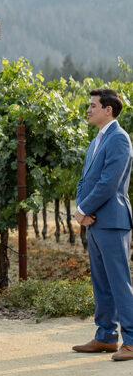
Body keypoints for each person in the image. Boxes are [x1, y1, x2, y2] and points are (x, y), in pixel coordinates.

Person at [72, 88, 133, 361]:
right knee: (101, 283)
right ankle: (106, 336)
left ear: (109, 110)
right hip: (95, 222)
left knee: (119, 282)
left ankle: (131, 341)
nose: (88, 109)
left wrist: (85, 209)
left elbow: (109, 182)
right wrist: (80, 210)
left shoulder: (119, 139)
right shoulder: (97, 140)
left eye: (93, 105)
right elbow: (85, 180)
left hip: (112, 221)